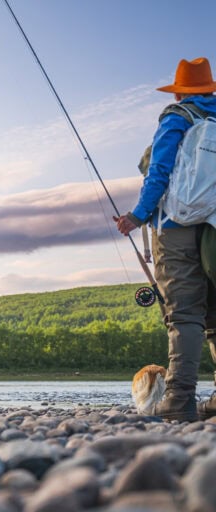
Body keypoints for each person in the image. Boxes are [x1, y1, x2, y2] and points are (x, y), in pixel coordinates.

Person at [115, 57, 216, 422]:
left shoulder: (177, 117)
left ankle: (179, 398)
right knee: (215, 314)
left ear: (180, 89)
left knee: (184, 313)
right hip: (214, 227)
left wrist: (137, 216)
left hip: (176, 226)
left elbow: (158, 171)